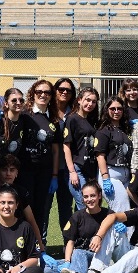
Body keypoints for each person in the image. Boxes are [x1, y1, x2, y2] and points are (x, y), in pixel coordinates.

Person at [50, 180, 112, 273]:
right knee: (46, 266)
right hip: (78, 257)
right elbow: (70, 241)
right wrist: (67, 262)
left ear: (99, 196)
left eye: (92, 196)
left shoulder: (109, 214)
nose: (89, 199)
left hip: (98, 256)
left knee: (78, 252)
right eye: (86, 196)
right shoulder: (77, 216)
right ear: (82, 199)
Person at [20, 79, 61, 242]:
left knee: (40, 210)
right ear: (33, 94)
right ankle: (20, 244)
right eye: (39, 92)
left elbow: (56, 151)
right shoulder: (24, 115)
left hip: (44, 173)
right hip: (25, 171)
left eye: (47, 92)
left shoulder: (54, 120)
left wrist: (54, 176)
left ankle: (37, 245)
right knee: (24, 209)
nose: (43, 95)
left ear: (51, 96)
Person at [63, 87, 101, 211]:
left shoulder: (92, 120)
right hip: (78, 168)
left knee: (90, 206)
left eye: (94, 102)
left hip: (91, 168)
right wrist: (72, 171)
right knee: (85, 205)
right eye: (87, 100)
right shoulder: (72, 118)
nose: (90, 104)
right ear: (79, 100)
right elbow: (66, 146)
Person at [96, 96, 133, 210]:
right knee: (121, 208)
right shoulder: (103, 131)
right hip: (111, 175)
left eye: (119, 108)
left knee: (130, 209)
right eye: (113, 109)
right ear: (107, 110)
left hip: (127, 175)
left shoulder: (126, 129)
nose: (116, 111)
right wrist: (106, 178)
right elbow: (100, 156)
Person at [52, 78, 78, 231]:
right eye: (61, 89)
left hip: (68, 168)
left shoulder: (74, 112)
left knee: (66, 207)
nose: (64, 92)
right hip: (49, 168)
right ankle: (40, 245)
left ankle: (68, 242)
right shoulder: (47, 111)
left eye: (68, 90)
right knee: (45, 207)